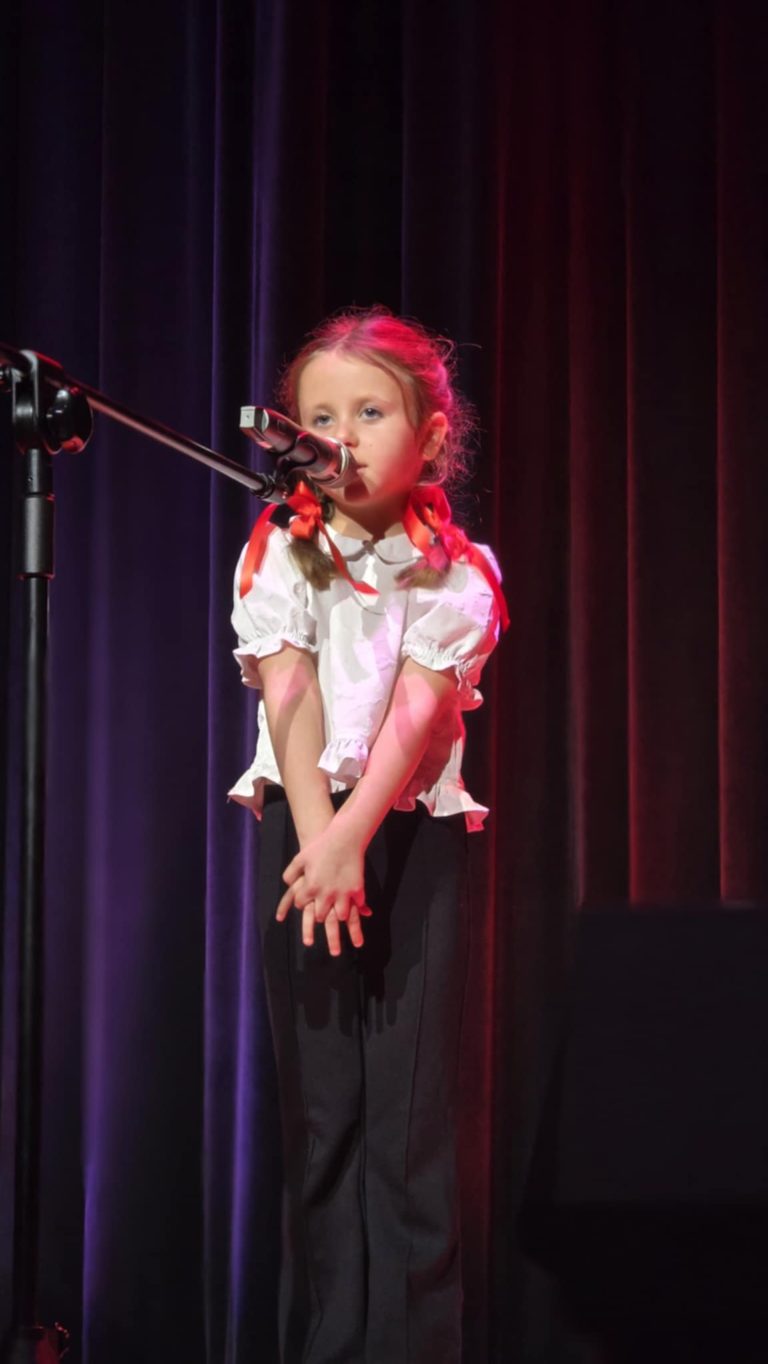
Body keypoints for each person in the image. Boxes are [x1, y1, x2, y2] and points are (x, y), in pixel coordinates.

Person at [228, 307, 508, 1364]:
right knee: (325, 1117)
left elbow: (417, 716)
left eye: (370, 413)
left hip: (409, 839)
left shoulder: (460, 571)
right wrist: (324, 846)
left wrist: (354, 841)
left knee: (408, 1122)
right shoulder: (280, 552)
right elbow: (287, 693)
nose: (340, 436)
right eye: (320, 417)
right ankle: (331, 1342)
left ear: (432, 435)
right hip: (306, 845)